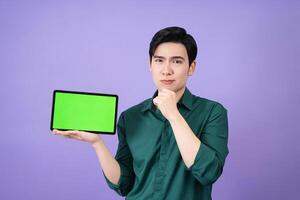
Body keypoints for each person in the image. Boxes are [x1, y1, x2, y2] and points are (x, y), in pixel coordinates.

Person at [53, 26, 229, 200]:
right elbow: (124, 185)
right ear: (150, 64)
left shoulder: (213, 112)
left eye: (176, 61)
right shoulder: (130, 117)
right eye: (159, 60)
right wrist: (97, 143)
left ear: (191, 67)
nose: (166, 70)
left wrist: (174, 116)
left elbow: (209, 172)